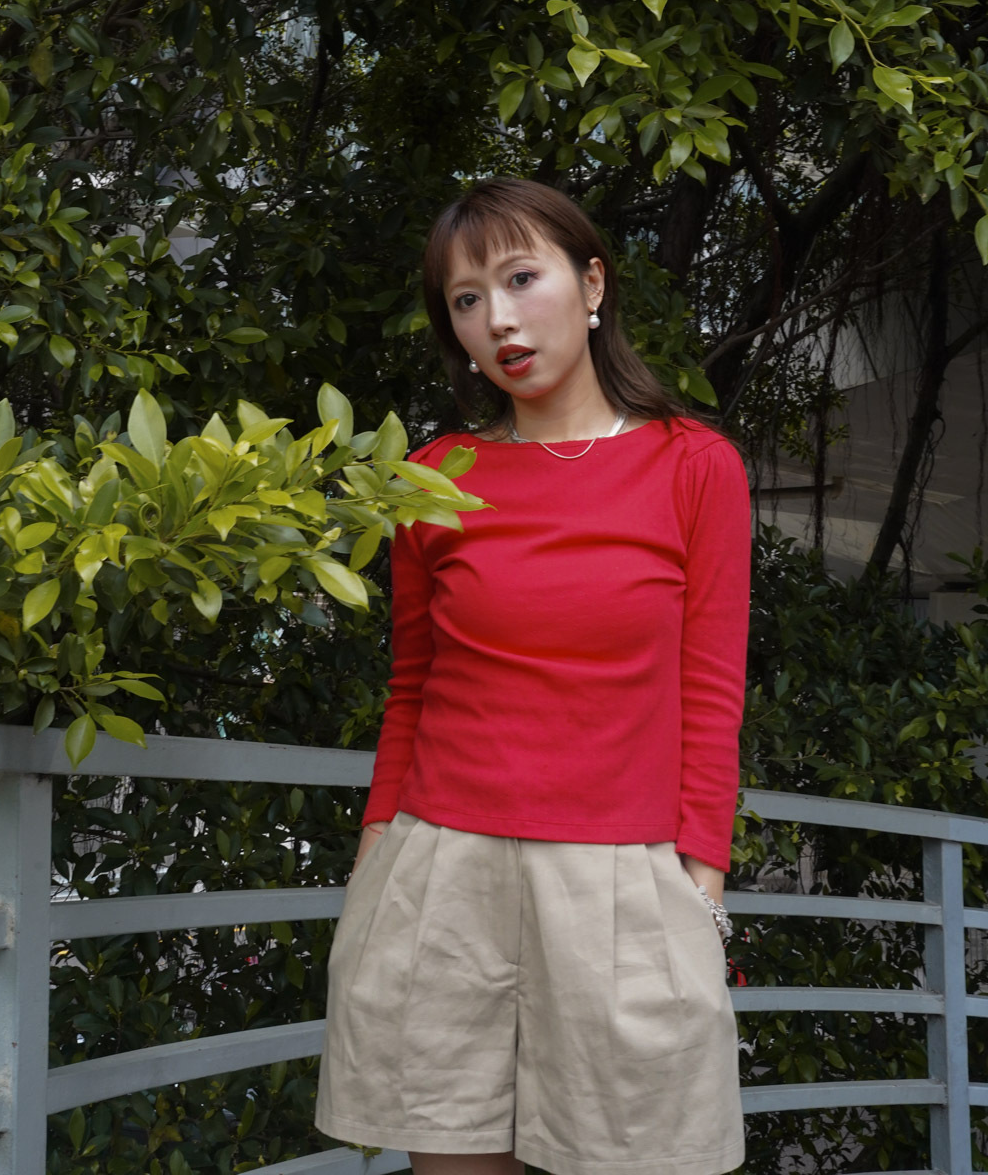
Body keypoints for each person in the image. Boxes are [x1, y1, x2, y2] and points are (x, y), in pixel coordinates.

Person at [316, 177, 751, 1175]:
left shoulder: (694, 466)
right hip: (441, 873)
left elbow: (712, 691)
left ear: (591, 283)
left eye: (521, 279)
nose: (499, 321)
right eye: (467, 300)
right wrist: (375, 856)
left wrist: (701, 885)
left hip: (623, 882)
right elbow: (412, 687)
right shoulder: (434, 479)